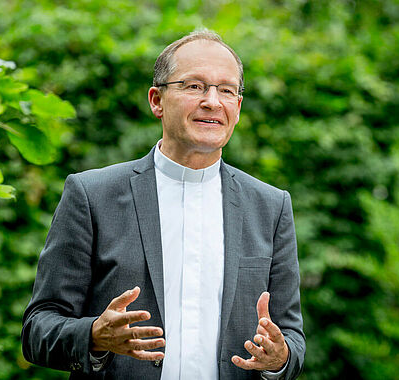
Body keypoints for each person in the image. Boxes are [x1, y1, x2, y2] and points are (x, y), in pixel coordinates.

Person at [22, 30, 306, 380]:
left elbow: (291, 338)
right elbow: (38, 329)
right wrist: (95, 335)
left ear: (238, 107)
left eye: (227, 90)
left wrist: (279, 357)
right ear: (157, 100)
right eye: (194, 86)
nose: (213, 102)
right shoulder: (91, 195)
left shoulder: (271, 206)